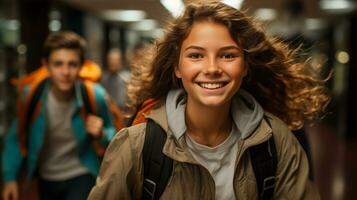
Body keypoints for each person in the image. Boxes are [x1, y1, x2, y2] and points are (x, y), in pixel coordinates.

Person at [88, 1, 330, 199]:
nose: (212, 68)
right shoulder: (136, 145)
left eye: (227, 55)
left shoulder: (277, 142)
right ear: (177, 67)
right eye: (196, 55)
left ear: (245, 66)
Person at [2, 31, 119, 200]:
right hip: (44, 178)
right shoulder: (31, 95)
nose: (65, 71)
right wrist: (9, 178)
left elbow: (115, 137)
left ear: (81, 66)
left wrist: (101, 133)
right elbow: (16, 138)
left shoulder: (95, 95)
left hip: (82, 175)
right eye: (58, 64)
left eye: (72, 64)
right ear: (46, 65)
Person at [102, 48, 131, 113]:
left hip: (124, 113)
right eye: (111, 60)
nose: (113, 62)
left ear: (120, 61)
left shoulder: (127, 78)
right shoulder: (104, 78)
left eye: (115, 60)